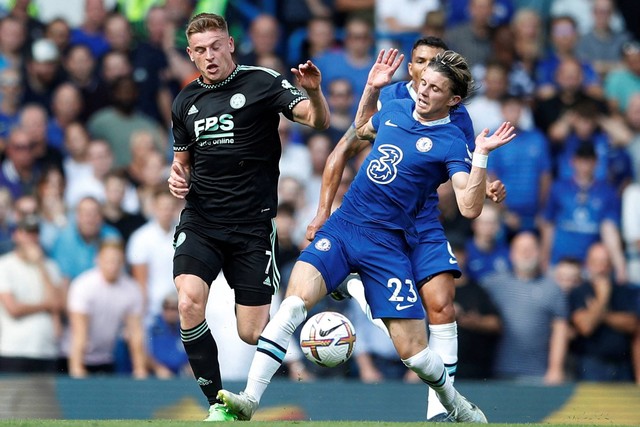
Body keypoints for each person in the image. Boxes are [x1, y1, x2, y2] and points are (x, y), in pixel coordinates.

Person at [218, 48, 515, 422]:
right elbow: (360, 129)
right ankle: (249, 399)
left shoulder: (453, 141)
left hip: (388, 245)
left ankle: (455, 404)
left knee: (416, 356)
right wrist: (372, 88)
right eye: (423, 83)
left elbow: (470, 208)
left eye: (435, 89)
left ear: (453, 100)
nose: (423, 92)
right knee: (293, 304)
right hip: (345, 227)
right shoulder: (395, 107)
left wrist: (483, 156)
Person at [306, 36, 505, 421]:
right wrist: (321, 213)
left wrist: (486, 181)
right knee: (402, 319)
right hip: (377, 222)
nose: (425, 73)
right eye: (419, 62)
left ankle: (439, 412)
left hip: (424, 219)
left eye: (433, 65)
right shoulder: (392, 97)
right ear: (411, 66)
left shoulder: (456, 115)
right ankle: (357, 289)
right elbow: (345, 146)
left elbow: (460, 168)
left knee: (443, 306)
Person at [165, 13, 330, 422]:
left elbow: (316, 119)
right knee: (188, 302)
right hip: (202, 221)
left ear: (231, 45)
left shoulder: (262, 81)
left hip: (252, 228)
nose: (209, 56)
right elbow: (181, 163)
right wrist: (176, 178)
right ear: (190, 54)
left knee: (252, 332)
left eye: (216, 46)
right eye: (200, 50)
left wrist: (316, 92)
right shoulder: (185, 101)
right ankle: (219, 407)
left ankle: (300, 327)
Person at [480, 232, 570, 384]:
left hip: (539, 374)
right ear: (512, 254)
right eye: (521, 249)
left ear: (540, 253)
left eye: (531, 249)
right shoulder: (492, 284)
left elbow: (560, 329)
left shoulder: (552, 288)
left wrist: (556, 369)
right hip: (497, 373)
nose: (526, 253)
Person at [63, 240, 147, 378]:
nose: (112, 266)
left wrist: (140, 370)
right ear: (98, 260)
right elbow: (79, 332)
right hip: (74, 357)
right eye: (108, 261)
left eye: (117, 261)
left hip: (106, 357)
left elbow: (135, 333)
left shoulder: (131, 289)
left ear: (122, 262)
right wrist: (77, 368)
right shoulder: (83, 286)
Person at [0, 214, 64, 373]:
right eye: (26, 233)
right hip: (14, 349)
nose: (31, 238)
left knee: (45, 399)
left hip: (46, 349)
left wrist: (40, 265)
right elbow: (13, 309)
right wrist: (47, 305)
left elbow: (58, 303)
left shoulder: (50, 266)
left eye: (35, 233)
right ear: (16, 235)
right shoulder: (5, 265)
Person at [569, 242, 639, 382]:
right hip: (591, 364)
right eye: (596, 262)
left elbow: (633, 324)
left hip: (622, 365)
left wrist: (600, 313)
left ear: (611, 265)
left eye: (605, 262)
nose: (601, 268)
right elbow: (586, 327)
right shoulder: (579, 292)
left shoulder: (625, 291)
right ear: (588, 264)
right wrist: (603, 297)